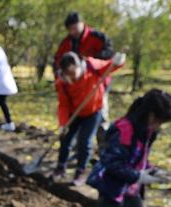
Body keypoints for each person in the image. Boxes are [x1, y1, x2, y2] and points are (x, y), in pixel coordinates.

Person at [64, 89, 171, 207]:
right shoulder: (124, 130)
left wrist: (151, 170)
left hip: (130, 190)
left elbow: (139, 156)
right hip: (112, 189)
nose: (159, 126)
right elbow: (112, 164)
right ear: (150, 114)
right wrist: (138, 176)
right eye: (159, 121)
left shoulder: (147, 131)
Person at [52, 51, 125, 185]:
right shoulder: (62, 82)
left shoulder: (92, 66)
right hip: (75, 113)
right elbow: (63, 105)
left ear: (78, 66)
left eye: (73, 73)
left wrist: (118, 61)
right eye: (68, 75)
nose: (72, 78)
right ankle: (60, 168)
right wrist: (63, 124)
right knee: (66, 139)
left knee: (85, 141)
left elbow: (110, 66)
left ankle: (80, 173)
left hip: (93, 111)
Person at [53, 12, 115, 129]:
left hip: (97, 84)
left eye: (75, 27)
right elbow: (57, 61)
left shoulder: (97, 37)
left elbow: (109, 53)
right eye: (70, 29)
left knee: (100, 114)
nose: (74, 31)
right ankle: (79, 142)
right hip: (75, 88)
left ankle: (102, 143)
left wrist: (90, 63)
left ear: (82, 23)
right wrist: (59, 82)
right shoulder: (66, 43)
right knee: (77, 116)